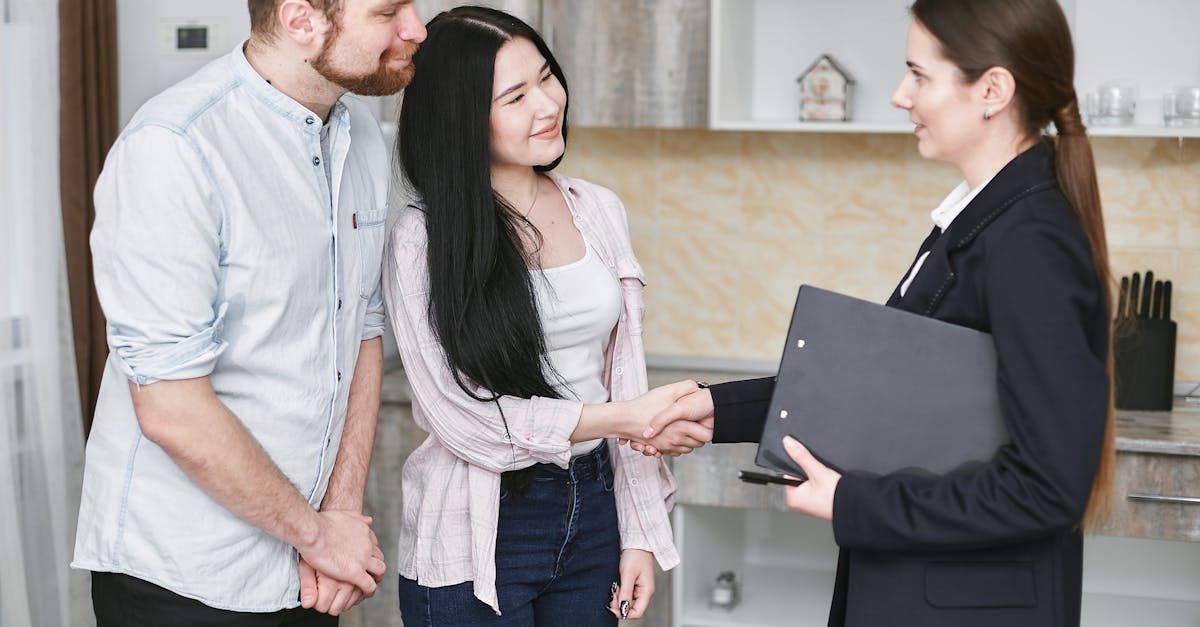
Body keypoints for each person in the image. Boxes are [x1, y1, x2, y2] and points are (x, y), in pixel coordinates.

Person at [642, 0, 1115, 625]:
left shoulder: (1030, 243)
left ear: (992, 90)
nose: (899, 94)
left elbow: (1047, 489)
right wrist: (715, 408)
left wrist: (853, 500)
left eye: (919, 75)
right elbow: (879, 396)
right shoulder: (977, 222)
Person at [72, 1, 426, 624]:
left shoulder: (362, 134)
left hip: (307, 568)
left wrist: (339, 514)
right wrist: (318, 536)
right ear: (300, 21)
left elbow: (362, 324)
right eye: (387, 11)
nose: (415, 28)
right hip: (182, 575)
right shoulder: (175, 147)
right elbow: (171, 408)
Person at [383, 6, 711, 624]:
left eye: (546, 77)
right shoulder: (423, 239)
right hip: (478, 528)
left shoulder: (598, 209)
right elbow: (461, 420)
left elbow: (624, 375)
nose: (547, 103)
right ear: (462, 120)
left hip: (595, 508)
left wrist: (638, 533)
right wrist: (624, 419)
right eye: (515, 96)